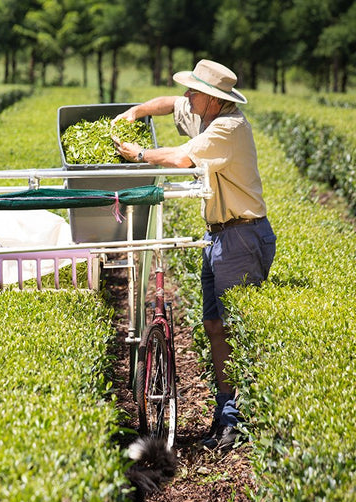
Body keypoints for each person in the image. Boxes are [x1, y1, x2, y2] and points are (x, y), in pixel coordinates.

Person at [112, 59, 277, 451]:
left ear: (213, 99)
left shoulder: (227, 129)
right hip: (219, 236)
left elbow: (181, 158)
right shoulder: (205, 114)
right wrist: (135, 112)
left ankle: (238, 420)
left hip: (240, 237)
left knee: (233, 330)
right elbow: (170, 103)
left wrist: (139, 155)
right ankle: (226, 414)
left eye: (194, 91)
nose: (187, 95)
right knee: (214, 326)